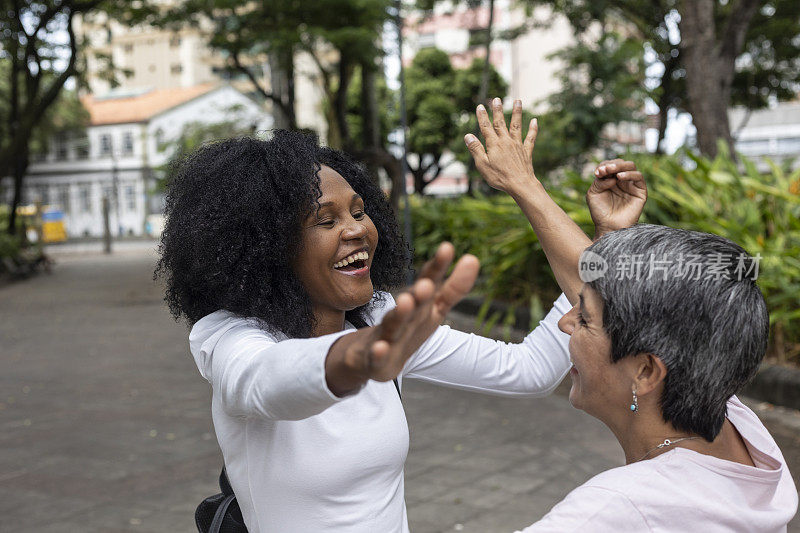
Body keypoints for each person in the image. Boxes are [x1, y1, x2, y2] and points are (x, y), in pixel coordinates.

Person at [156, 97, 645, 532]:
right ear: (264, 248)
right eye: (325, 220)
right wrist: (362, 356)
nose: (356, 230)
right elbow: (269, 383)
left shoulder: (377, 317)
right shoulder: (230, 338)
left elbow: (529, 371)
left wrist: (599, 239)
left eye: (359, 211)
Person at [511, 225, 799, 532]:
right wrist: (523, 186)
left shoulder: (614, 508)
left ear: (646, 371)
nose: (564, 322)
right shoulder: (736, 420)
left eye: (583, 318)